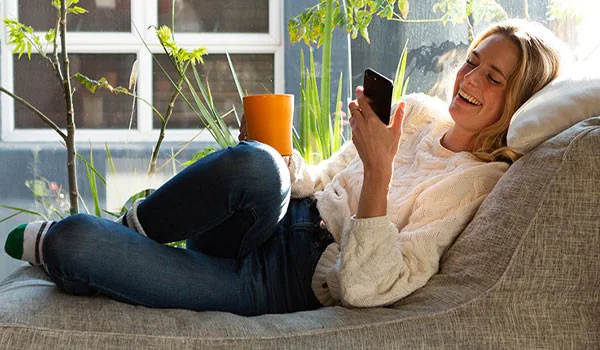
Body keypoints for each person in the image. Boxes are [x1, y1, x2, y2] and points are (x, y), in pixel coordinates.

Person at [4, 19, 569, 315]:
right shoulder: (417, 113)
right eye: (473, 61)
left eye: (493, 78)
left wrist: (379, 171)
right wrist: (281, 158)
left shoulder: (478, 179)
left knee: (74, 241)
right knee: (258, 166)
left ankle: (98, 243)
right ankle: (139, 228)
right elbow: (319, 179)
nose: (469, 80)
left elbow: (368, 288)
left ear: (518, 99)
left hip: (282, 281)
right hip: (275, 216)